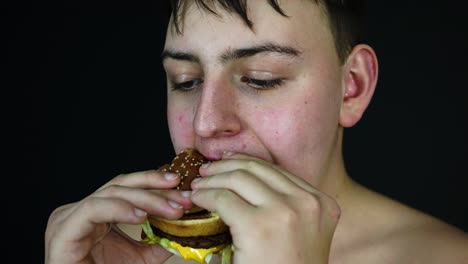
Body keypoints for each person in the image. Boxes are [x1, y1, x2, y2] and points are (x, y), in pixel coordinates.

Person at [44, 1, 468, 263]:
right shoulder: (115, 249)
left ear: (351, 87)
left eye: (261, 78)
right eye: (187, 81)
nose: (205, 123)